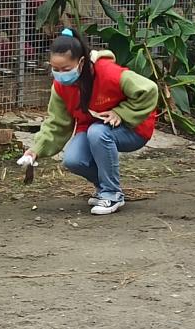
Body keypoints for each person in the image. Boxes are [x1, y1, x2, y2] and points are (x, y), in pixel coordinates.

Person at [22, 28, 159, 215]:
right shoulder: (60, 86)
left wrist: (122, 112)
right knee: (73, 160)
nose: (60, 74)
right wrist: (36, 150)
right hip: (92, 128)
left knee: (97, 132)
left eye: (66, 69)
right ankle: (104, 188)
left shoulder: (108, 72)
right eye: (56, 69)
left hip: (133, 128)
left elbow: (149, 90)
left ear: (81, 62)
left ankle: (112, 193)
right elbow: (57, 123)